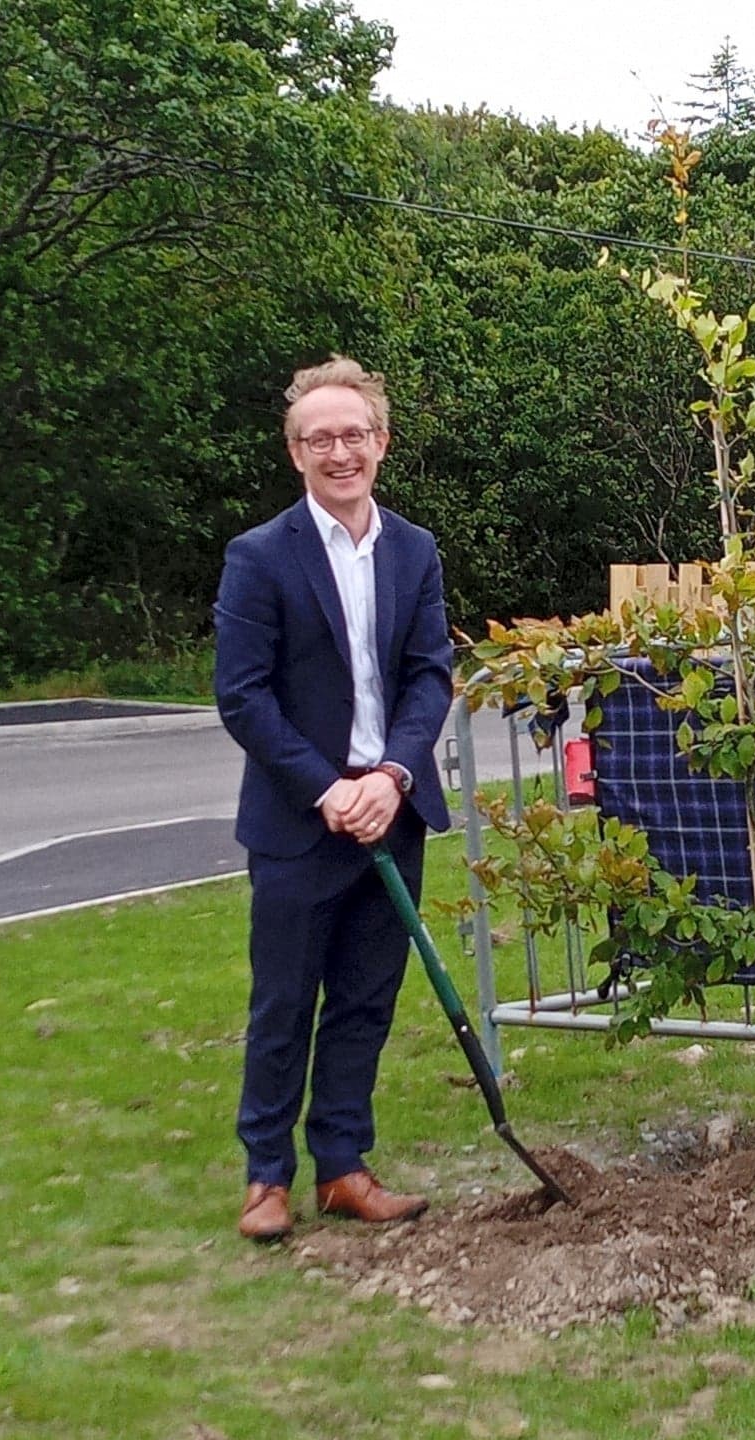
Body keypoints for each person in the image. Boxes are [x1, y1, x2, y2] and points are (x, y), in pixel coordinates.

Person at [214, 357, 453, 1242]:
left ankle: (344, 1168)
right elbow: (242, 695)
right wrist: (327, 790)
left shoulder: (415, 550)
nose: (340, 451)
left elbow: (430, 676)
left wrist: (390, 777)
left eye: (354, 434)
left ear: (380, 443)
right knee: (283, 1003)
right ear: (295, 453)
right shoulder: (260, 557)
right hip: (298, 822)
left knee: (364, 1001)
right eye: (321, 439)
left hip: (393, 812)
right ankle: (265, 1178)